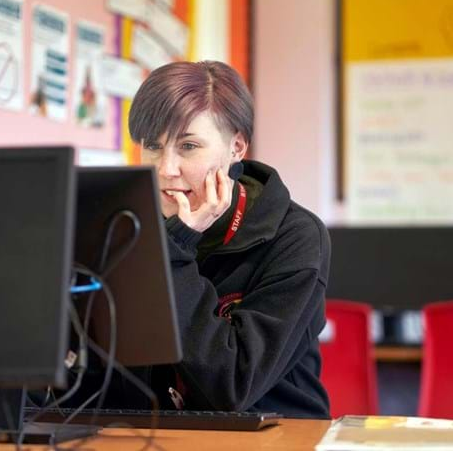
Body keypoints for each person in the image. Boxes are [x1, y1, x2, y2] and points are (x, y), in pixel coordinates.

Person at [124, 60, 330, 418]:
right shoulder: (130, 225)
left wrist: (176, 247)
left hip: (276, 437)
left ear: (236, 147)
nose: (165, 169)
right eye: (152, 146)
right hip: (154, 436)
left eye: (188, 146)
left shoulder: (295, 238)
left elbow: (231, 386)